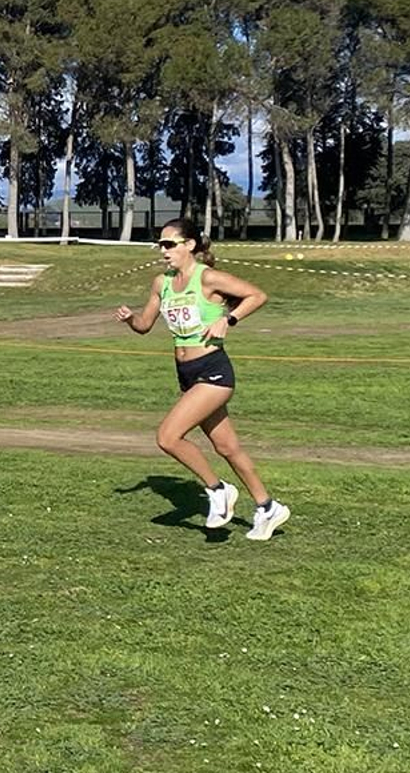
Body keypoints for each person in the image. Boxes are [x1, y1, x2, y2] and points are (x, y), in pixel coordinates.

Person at [115, 218, 291, 540]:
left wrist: (229, 318)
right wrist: (130, 319)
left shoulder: (207, 278)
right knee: (227, 446)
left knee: (168, 437)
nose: (163, 250)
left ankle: (218, 489)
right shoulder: (162, 283)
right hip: (187, 374)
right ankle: (268, 507)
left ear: (190, 245)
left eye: (170, 244)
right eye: (161, 245)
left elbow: (257, 295)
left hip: (213, 371)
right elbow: (144, 325)